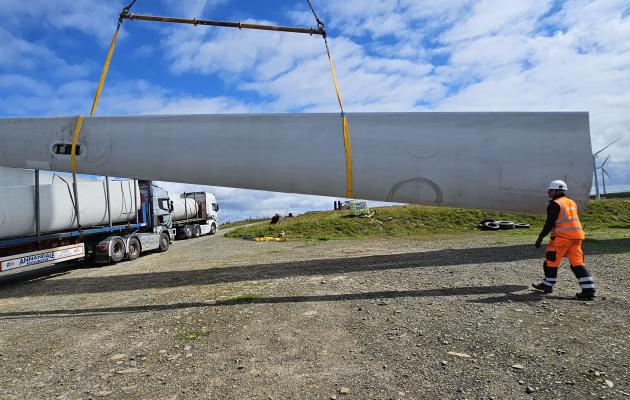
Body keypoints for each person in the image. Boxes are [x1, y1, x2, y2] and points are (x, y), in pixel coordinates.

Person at [532, 180, 596, 300]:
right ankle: (589, 290)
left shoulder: (555, 204)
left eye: (551, 190)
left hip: (561, 238)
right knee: (577, 263)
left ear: (558, 190)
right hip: (577, 237)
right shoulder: (571, 202)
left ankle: (547, 285)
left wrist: (540, 237)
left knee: (550, 261)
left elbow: (549, 223)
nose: (548, 191)